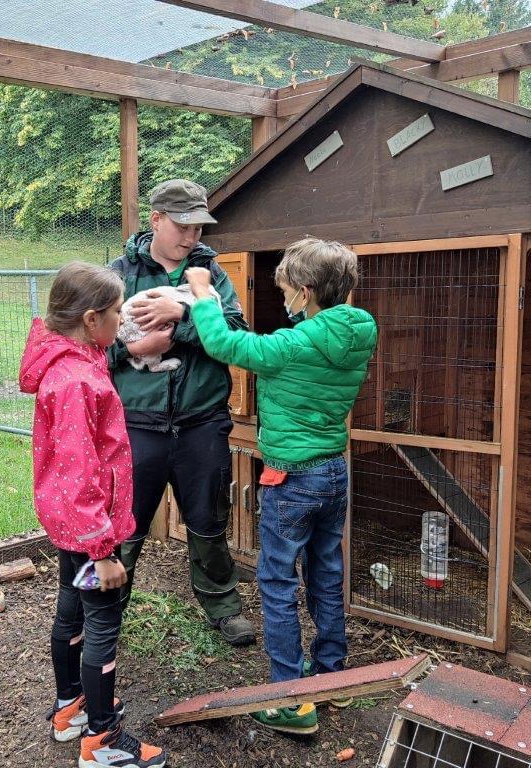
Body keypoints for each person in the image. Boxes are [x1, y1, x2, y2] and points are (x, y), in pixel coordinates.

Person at [185, 237, 377, 735]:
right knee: (326, 571)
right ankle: (329, 674)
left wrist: (204, 294)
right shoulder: (360, 331)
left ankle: (290, 699)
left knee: (276, 581)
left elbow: (225, 345)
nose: (284, 298)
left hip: (293, 477)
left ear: (306, 291)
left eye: (288, 289)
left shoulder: (291, 346)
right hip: (334, 470)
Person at [19, 261, 166, 768]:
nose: (122, 320)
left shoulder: (72, 360)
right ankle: (102, 741)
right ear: (89, 318)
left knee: (71, 609)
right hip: (92, 528)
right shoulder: (77, 378)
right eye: (117, 312)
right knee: (102, 621)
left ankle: (71, 707)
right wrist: (103, 551)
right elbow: (81, 469)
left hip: (70, 523)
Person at [108, 178, 255, 646]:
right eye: (183, 226)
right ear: (156, 219)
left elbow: (233, 331)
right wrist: (139, 346)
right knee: (124, 522)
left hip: (200, 421)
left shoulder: (209, 271)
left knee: (209, 517)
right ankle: (106, 610)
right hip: (137, 423)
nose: (192, 237)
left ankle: (222, 605)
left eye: (199, 227)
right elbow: (88, 344)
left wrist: (179, 318)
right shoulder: (119, 273)